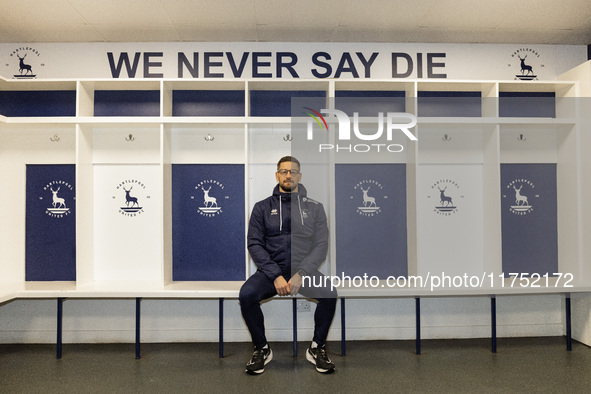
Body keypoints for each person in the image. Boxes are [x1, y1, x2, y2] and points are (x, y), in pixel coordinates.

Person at [239, 156, 337, 374]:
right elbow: (254, 244)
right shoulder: (262, 207)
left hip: (303, 271)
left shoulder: (315, 208)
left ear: (299, 176)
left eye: (293, 171)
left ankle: (317, 348)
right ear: (277, 175)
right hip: (271, 272)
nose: (288, 175)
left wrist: (301, 273)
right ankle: (262, 349)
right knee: (247, 295)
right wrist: (275, 275)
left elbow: (321, 245)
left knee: (329, 293)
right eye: (284, 171)